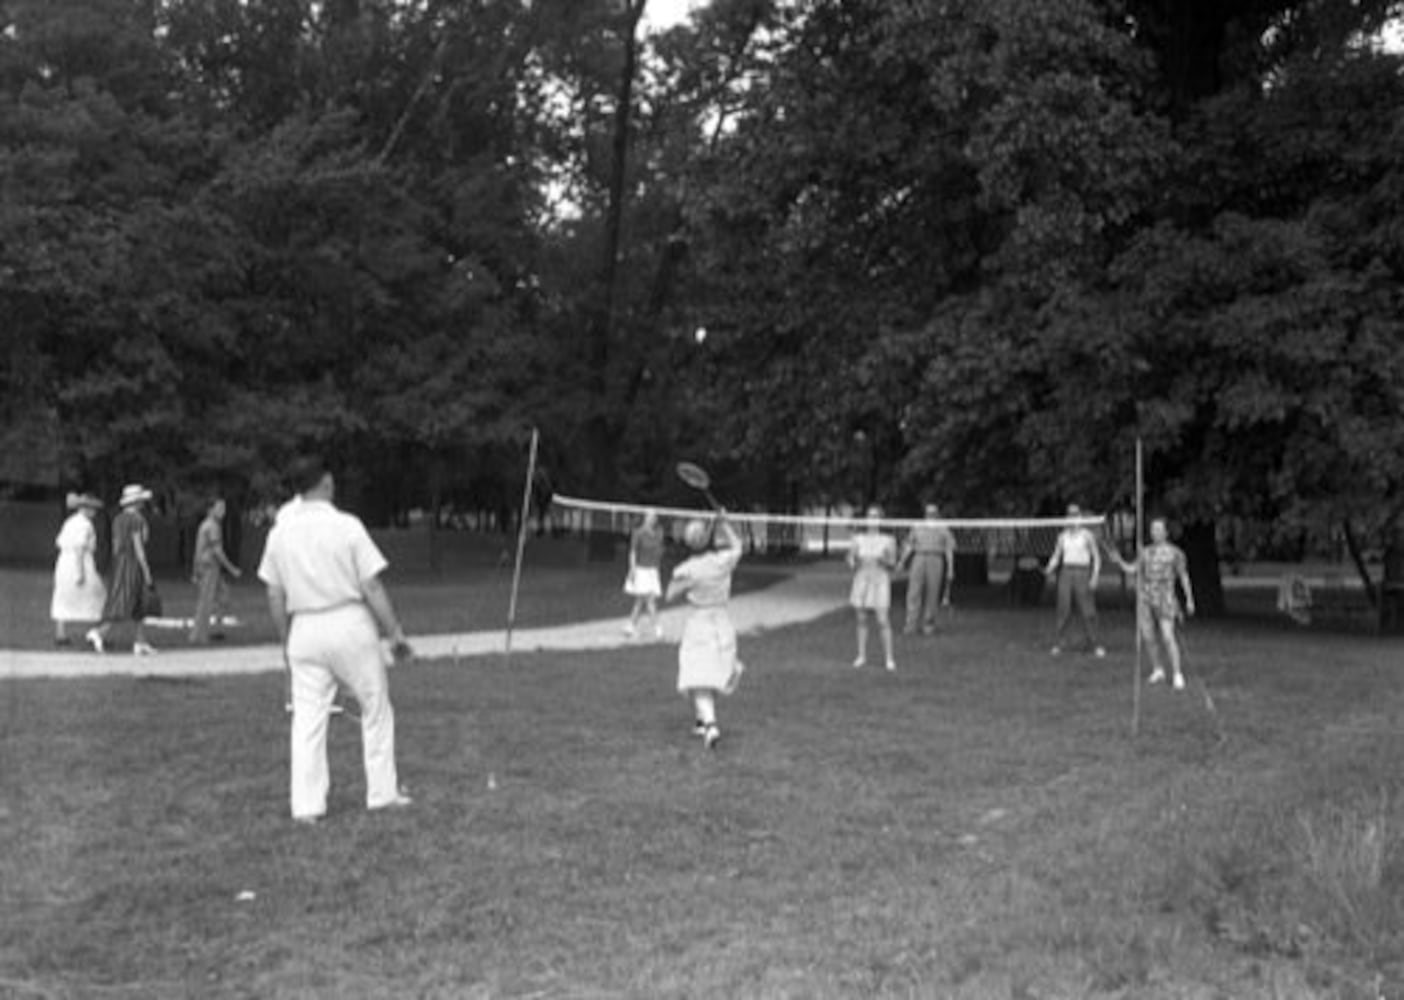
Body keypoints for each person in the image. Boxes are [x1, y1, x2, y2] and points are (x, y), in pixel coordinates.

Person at [257, 457, 415, 823]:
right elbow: (371, 584)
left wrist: (286, 638)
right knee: (375, 706)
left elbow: (274, 594)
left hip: (305, 628)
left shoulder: (280, 532)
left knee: (308, 719)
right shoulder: (347, 526)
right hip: (348, 622)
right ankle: (382, 792)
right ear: (326, 483)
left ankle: (307, 806)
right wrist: (394, 633)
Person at [665, 511, 745, 750]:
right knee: (710, 675)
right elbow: (738, 545)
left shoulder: (688, 568)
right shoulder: (722, 561)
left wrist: (687, 583)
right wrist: (725, 523)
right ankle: (701, 721)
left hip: (699, 625)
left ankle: (710, 726)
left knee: (695, 678)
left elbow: (669, 595)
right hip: (722, 622)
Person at [1111, 516, 1196, 689]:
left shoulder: (1176, 553)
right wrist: (1119, 561)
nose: (1154, 532)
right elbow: (1133, 569)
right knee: (1148, 636)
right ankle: (1158, 669)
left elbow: (1183, 576)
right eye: (1152, 529)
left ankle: (1177, 673)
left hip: (1165, 598)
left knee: (1167, 636)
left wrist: (1189, 599)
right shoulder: (1145, 552)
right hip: (1145, 598)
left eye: (1158, 529)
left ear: (1165, 532)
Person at [86, 484, 158, 656]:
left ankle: (140, 641)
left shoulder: (118, 519)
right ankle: (100, 632)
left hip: (120, 562)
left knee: (137, 604)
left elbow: (117, 545)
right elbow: (139, 547)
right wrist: (147, 571)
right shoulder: (137, 520)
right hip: (132, 564)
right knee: (126, 602)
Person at [1043, 503, 1106, 658]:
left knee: (1088, 610)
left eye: (1075, 514)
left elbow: (1096, 558)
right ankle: (1060, 643)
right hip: (1065, 572)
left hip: (1083, 572)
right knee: (1063, 608)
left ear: (1080, 517)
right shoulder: (1062, 536)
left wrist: (1095, 576)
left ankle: (1094, 644)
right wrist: (1050, 567)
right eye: (1070, 514)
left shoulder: (1087, 535)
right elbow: (1057, 556)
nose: (1072, 517)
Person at [51, 492, 107, 646]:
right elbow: (80, 548)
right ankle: (97, 632)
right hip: (79, 562)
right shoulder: (85, 525)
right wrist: (81, 572)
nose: (95, 512)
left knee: (62, 597)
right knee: (99, 595)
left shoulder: (70, 522)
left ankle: (60, 634)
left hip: (64, 562)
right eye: (93, 509)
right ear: (86, 509)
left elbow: (60, 542)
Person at [849, 505, 898, 671]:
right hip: (862, 579)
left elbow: (893, 564)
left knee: (882, 620)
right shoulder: (858, 538)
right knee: (861, 619)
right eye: (870, 516)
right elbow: (851, 562)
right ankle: (861, 656)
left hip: (880, 580)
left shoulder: (889, 540)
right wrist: (853, 561)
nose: (872, 519)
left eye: (876, 516)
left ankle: (889, 659)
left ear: (881, 519)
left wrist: (883, 560)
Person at [189, 497, 243, 644]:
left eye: (224, 508)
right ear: (210, 510)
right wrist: (232, 569)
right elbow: (217, 551)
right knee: (205, 601)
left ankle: (211, 629)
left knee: (223, 595)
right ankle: (198, 636)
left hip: (206, 566)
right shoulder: (212, 526)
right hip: (208, 567)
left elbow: (197, 549)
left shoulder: (206, 525)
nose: (223, 512)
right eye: (219, 508)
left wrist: (194, 570)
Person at [900, 502, 956, 635]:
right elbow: (909, 545)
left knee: (933, 591)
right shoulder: (917, 526)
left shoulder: (944, 528)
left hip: (936, 558)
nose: (930, 515)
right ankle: (911, 624)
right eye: (928, 512)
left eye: (933, 513)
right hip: (919, 557)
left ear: (937, 514)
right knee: (913, 591)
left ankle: (928, 624)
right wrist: (902, 561)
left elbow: (949, 550)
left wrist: (950, 568)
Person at [623, 508, 664, 639]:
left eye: (655, 517)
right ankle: (658, 628)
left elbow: (659, 550)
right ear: (645, 518)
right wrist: (632, 569)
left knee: (640, 602)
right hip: (642, 570)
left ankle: (630, 626)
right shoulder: (638, 533)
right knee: (649, 600)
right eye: (651, 516)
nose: (653, 519)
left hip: (653, 570)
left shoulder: (658, 533)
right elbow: (633, 552)